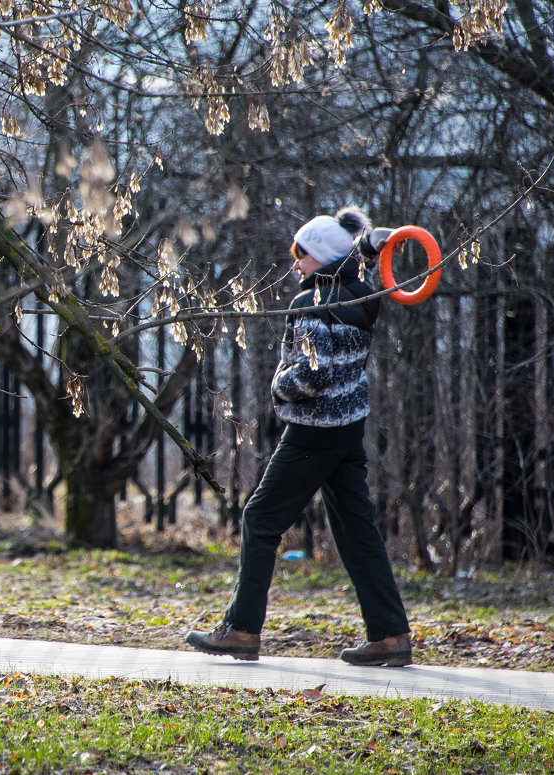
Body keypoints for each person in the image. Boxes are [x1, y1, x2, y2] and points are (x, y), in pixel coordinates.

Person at [185, 206, 413, 666]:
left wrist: (278, 386)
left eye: (302, 256)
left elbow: (311, 374)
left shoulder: (312, 304)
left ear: (324, 258)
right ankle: (390, 635)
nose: (296, 265)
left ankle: (242, 629)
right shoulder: (363, 294)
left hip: (314, 431)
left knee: (260, 518)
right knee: (356, 532)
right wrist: (369, 245)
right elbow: (358, 263)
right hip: (349, 428)